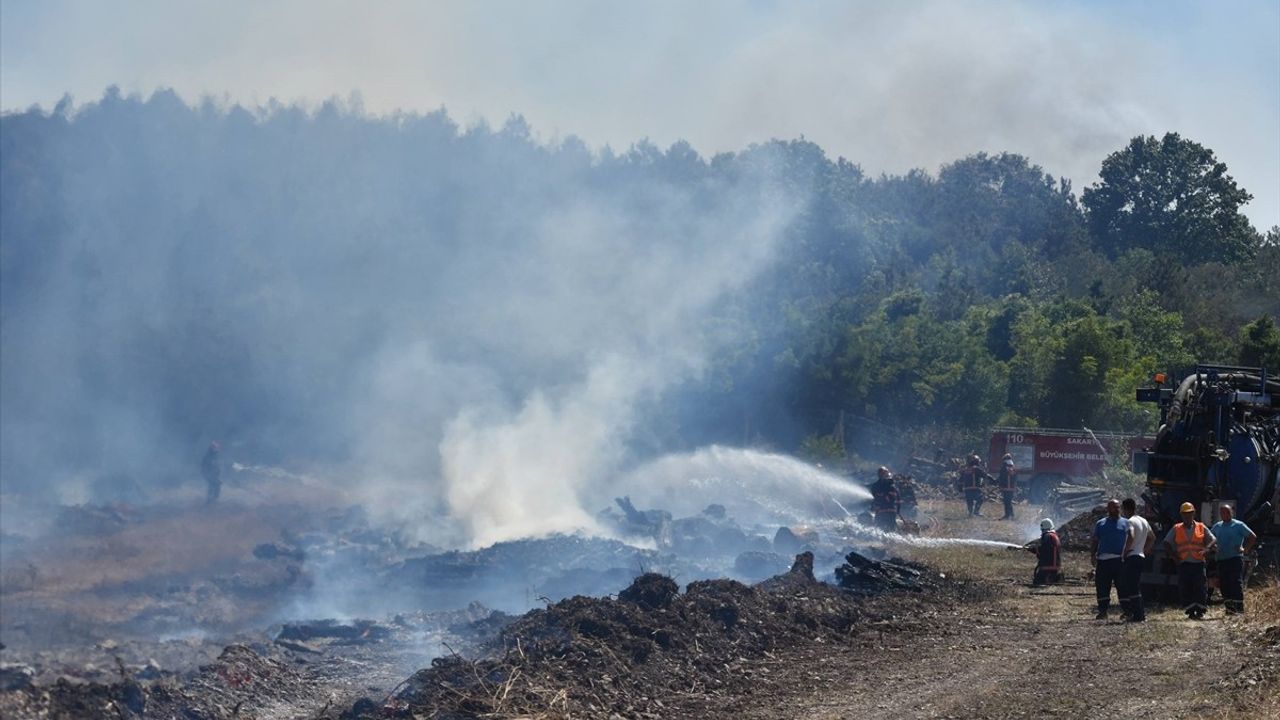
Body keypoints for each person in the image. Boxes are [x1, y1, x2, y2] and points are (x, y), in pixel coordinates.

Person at [1162, 502, 1217, 619]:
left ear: (1194, 514)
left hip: (1198, 563)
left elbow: (1213, 539)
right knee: (1186, 587)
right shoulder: (1177, 528)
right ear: (1181, 515)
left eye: (1189, 513)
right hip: (1184, 563)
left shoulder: (1201, 527)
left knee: (1200, 587)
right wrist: (1174, 556)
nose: (1187, 516)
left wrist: (1207, 548)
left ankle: (1200, 610)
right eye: (1185, 514)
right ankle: (1190, 611)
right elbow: (1166, 542)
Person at [1211, 504, 1257, 615]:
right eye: (1222, 512)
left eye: (1227, 512)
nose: (1225, 514)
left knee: (1235, 582)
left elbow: (1252, 537)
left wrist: (1245, 549)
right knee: (1224, 584)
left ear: (1231, 513)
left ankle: (1239, 609)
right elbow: (1209, 538)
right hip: (1222, 559)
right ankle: (1229, 609)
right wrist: (1213, 547)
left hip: (1235, 559)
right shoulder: (1217, 526)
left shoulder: (1238, 525)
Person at [1090, 499, 1129, 620]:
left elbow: (1131, 539)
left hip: (1119, 560)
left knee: (1123, 586)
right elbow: (1095, 540)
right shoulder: (1101, 524)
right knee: (1102, 586)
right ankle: (1103, 611)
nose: (1116, 509)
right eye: (1113, 507)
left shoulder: (1126, 523)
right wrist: (1092, 555)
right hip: (1103, 560)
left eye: (1117, 507)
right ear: (1108, 509)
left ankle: (1127, 611)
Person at [1119, 498, 1154, 622]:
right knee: (1135, 585)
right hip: (1140, 556)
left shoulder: (1130, 521)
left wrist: (1125, 551)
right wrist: (1145, 550)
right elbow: (1152, 537)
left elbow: (1131, 535)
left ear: (1124, 509)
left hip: (1132, 556)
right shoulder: (1143, 521)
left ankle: (1138, 614)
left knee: (1131, 586)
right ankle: (1138, 613)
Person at [869, 466, 899, 533]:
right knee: (889, 531)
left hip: (886, 511)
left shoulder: (890, 485)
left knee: (880, 530)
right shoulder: (891, 485)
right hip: (885, 512)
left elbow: (892, 498)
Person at [1032, 518, 1061, 586]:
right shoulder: (1054, 535)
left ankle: (1051, 579)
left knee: (1037, 582)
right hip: (1055, 565)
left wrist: (1035, 549)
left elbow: (1044, 551)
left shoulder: (1047, 536)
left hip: (1048, 566)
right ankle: (1054, 578)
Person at [996, 453, 1017, 520]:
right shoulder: (1013, 467)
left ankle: (1007, 515)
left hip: (1005, 487)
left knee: (1006, 502)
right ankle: (1011, 515)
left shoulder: (1003, 467)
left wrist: (999, 484)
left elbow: (1001, 477)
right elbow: (1015, 478)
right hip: (1011, 488)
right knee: (1009, 501)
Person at [201, 441, 222, 505]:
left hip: (213, 474)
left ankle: (213, 499)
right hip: (209, 474)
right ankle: (210, 500)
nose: (217, 449)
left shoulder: (215, 456)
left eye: (217, 448)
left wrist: (217, 471)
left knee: (216, 485)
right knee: (214, 485)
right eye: (216, 448)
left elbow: (216, 465)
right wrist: (208, 474)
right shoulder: (208, 456)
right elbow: (205, 466)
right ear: (212, 448)